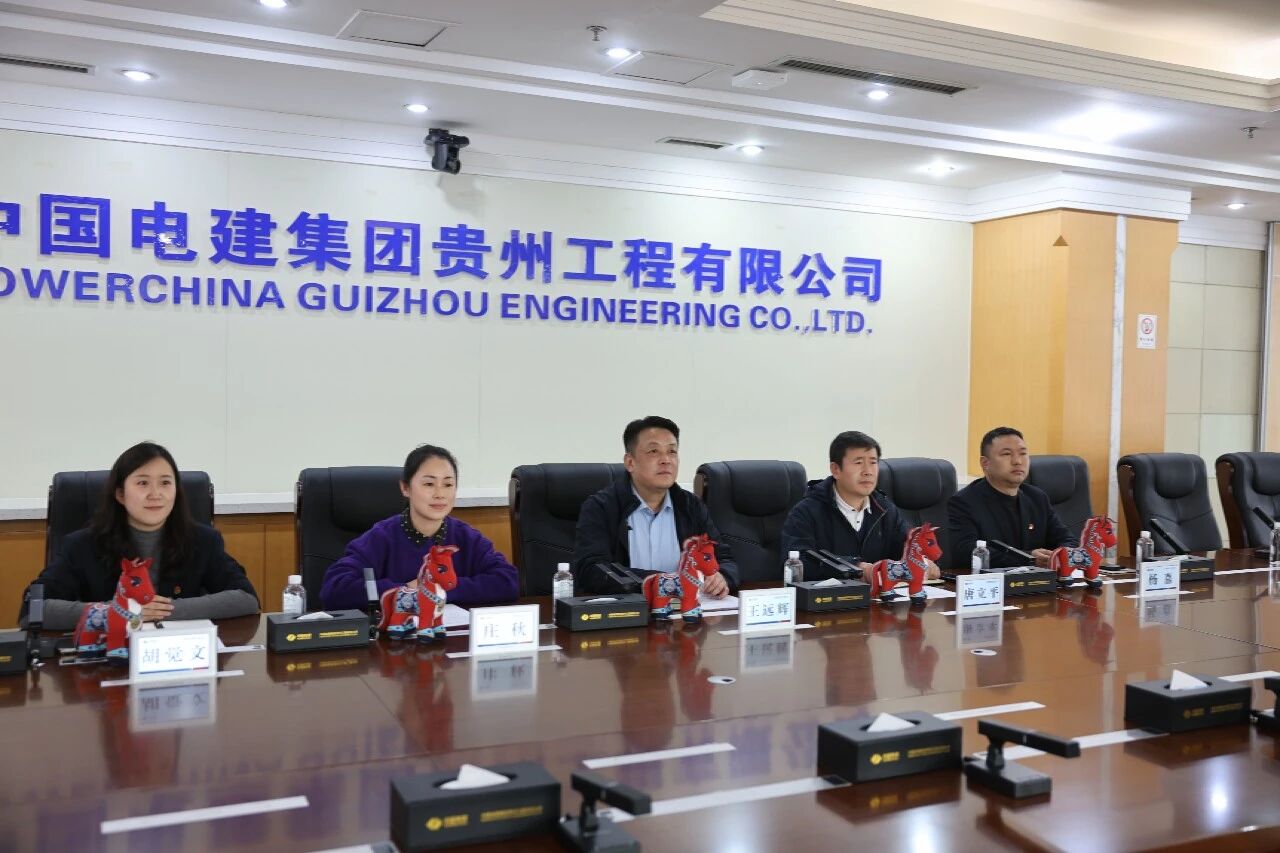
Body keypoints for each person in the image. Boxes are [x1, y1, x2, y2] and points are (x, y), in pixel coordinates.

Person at [22, 442, 258, 629]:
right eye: (143, 483)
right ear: (120, 494)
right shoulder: (81, 545)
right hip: (106, 661)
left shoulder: (203, 541)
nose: (156, 494)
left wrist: (165, 611)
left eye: (165, 483)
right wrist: (120, 612)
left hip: (180, 657)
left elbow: (246, 598)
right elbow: (33, 609)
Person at [320, 444, 519, 610]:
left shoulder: (467, 537)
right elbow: (334, 589)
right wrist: (406, 591)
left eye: (448, 485)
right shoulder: (381, 537)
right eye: (429, 484)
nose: (440, 494)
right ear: (405, 488)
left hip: (452, 638)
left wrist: (438, 590)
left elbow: (507, 581)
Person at [573, 415, 739, 596]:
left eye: (672, 451)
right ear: (630, 462)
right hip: (629, 607)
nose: (666, 460)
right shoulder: (601, 507)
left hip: (687, 608)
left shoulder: (691, 506)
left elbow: (724, 558)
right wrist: (661, 582)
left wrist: (722, 577)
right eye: (654, 451)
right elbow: (590, 570)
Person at [780, 430, 940, 581]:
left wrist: (923, 562)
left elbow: (907, 546)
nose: (868, 471)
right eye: (858, 463)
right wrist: (855, 569)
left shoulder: (885, 509)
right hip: (828, 599)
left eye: (873, 463)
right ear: (836, 470)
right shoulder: (806, 511)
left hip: (880, 599)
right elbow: (798, 562)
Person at [947, 426, 1075, 569]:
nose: (1017, 461)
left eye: (1023, 453)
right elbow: (966, 552)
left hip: (1040, 580)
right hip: (993, 581)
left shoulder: (1037, 498)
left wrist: (1062, 555)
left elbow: (1067, 539)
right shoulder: (964, 502)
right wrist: (1028, 558)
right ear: (985, 463)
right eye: (1007, 454)